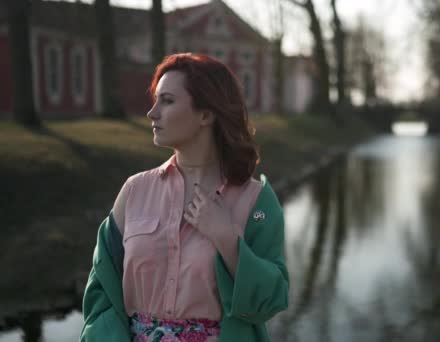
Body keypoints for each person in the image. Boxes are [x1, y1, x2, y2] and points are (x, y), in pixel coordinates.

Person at [80, 53, 289, 342]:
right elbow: (101, 291)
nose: (152, 112)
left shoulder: (258, 203)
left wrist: (227, 239)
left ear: (206, 114)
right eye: (156, 100)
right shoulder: (134, 191)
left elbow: (271, 300)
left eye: (167, 100)